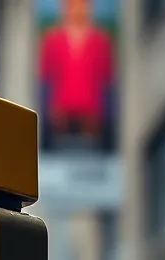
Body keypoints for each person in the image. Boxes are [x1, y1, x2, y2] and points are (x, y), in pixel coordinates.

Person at [39, 0, 116, 151]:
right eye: (73, 5)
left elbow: (107, 84)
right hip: (61, 115)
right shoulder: (52, 40)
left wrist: (103, 116)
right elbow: (46, 81)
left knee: (90, 160)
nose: (77, 10)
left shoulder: (101, 41)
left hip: (91, 115)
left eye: (81, 5)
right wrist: (50, 112)